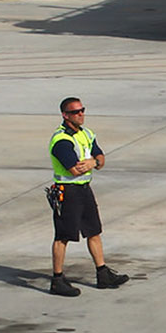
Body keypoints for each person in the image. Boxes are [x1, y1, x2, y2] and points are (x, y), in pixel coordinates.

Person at [48, 97, 129, 297]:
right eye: (76, 112)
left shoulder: (86, 134)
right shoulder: (61, 140)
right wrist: (94, 162)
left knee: (94, 231)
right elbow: (75, 169)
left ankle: (102, 273)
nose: (81, 114)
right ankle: (57, 280)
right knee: (63, 236)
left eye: (82, 110)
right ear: (65, 115)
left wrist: (93, 162)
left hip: (84, 189)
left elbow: (100, 159)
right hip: (67, 191)